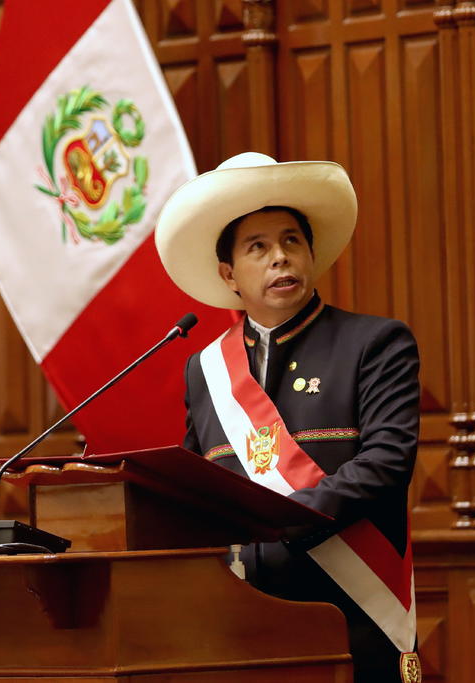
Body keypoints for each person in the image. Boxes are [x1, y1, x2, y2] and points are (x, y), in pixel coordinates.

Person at [154, 152, 421, 683]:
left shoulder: (374, 343)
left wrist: (280, 522)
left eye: (291, 241)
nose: (280, 257)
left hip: (351, 612)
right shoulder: (205, 370)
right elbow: (195, 489)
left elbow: (386, 463)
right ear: (229, 274)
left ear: (311, 255)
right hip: (241, 620)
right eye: (259, 247)